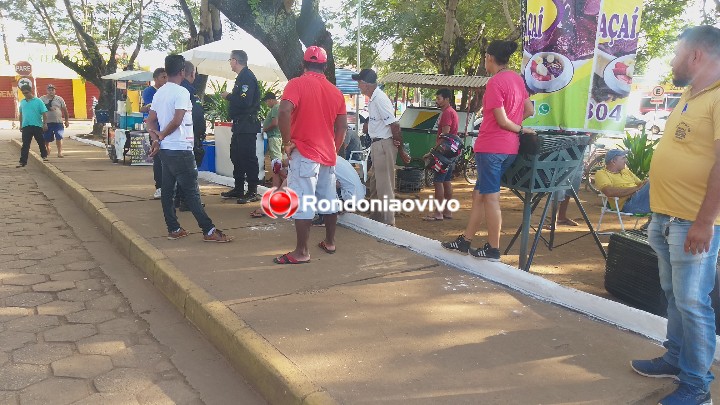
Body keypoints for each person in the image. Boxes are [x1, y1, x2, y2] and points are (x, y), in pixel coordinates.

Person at [630, 26, 720, 405]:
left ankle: (696, 383)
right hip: (665, 216)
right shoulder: (689, 95)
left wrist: (704, 222)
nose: (671, 61)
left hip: (692, 222)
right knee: (674, 295)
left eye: (676, 53)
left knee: (693, 302)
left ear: (696, 55)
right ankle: (676, 358)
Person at [441, 40, 535, 261]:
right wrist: (516, 125)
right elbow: (529, 109)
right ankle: (465, 241)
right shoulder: (517, 80)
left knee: (491, 198)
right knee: (479, 196)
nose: (485, 61)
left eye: (485, 57)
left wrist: (516, 126)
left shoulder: (495, 83)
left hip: (491, 148)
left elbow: (502, 121)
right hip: (509, 149)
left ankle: (493, 249)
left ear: (490, 58)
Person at [146, 54, 233, 243]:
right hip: (180, 149)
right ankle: (208, 230)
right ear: (183, 71)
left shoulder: (159, 92)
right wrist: (160, 135)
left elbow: (150, 121)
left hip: (166, 151)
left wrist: (156, 138)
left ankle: (174, 228)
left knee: (168, 191)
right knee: (191, 192)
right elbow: (177, 121)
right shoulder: (181, 93)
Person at [274, 45, 346, 264]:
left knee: (303, 201)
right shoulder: (336, 91)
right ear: (324, 66)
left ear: (303, 64)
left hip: (305, 152)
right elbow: (342, 126)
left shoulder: (296, 84)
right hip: (327, 154)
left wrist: (287, 143)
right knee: (328, 199)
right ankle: (330, 242)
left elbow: (284, 111)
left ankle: (302, 252)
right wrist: (334, 147)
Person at [352, 68, 401, 226]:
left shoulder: (379, 99)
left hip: (383, 144)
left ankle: (388, 223)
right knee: (375, 183)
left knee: (384, 185)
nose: (358, 86)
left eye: (359, 83)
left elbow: (394, 125)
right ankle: (377, 218)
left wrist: (399, 147)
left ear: (366, 84)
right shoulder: (374, 99)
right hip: (378, 144)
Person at [220, 50, 262, 204]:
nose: (230, 63)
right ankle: (238, 188)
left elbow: (246, 101)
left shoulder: (247, 77)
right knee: (236, 156)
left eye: (230, 59)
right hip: (239, 125)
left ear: (235, 61)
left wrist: (229, 96)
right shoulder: (241, 77)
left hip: (247, 124)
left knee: (248, 157)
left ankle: (252, 190)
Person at [423, 88, 459, 221]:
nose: (437, 101)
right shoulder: (452, 112)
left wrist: (432, 151)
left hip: (444, 153)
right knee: (446, 181)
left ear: (447, 99)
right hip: (451, 153)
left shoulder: (447, 113)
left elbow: (445, 136)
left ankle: (438, 213)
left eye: (439, 99)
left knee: (438, 182)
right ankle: (447, 211)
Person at [176, 61, 207, 212]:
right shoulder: (188, 91)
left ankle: (178, 199)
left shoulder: (173, 90)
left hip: (175, 137)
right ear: (191, 74)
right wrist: (200, 134)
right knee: (189, 171)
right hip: (189, 135)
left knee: (178, 171)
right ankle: (188, 201)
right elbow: (197, 116)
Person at [594, 149, 650, 214]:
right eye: (623, 158)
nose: (625, 161)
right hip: (628, 204)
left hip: (640, 199)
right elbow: (609, 192)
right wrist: (636, 188)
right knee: (654, 183)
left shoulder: (626, 171)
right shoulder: (602, 173)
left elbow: (641, 184)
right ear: (613, 161)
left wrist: (644, 183)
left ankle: (655, 222)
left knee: (656, 182)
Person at [141, 68, 168, 199]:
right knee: (158, 159)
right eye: (163, 77)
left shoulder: (169, 90)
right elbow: (149, 107)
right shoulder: (150, 91)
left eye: (167, 76)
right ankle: (159, 187)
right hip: (155, 131)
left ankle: (169, 187)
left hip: (167, 130)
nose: (166, 79)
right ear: (156, 79)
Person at [17, 85, 48, 168]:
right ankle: (23, 161)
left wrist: (45, 124)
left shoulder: (38, 101)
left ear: (31, 91)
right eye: (23, 93)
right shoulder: (22, 102)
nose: (25, 95)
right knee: (25, 144)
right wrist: (20, 125)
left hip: (37, 125)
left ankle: (44, 156)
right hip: (26, 126)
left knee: (41, 142)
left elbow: (44, 113)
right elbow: (21, 114)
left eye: (26, 93)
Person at [40, 84, 70, 158]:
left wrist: (66, 121)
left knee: (59, 137)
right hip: (47, 123)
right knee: (46, 139)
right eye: (49, 90)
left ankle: (59, 152)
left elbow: (65, 110)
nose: (51, 91)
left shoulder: (59, 99)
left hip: (58, 122)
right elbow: (38, 107)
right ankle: (48, 148)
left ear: (55, 91)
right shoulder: (42, 99)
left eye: (52, 90)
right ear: (46, 91)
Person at [261, 91, 282, 161]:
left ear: (270, 100)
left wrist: (264, 129)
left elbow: (275, 123)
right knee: (275, 160)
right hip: (274, 137)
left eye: (266, 102)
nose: (266, 104)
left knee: (277, 161)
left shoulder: (276, 107)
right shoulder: (277, 107)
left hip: (274, 137)